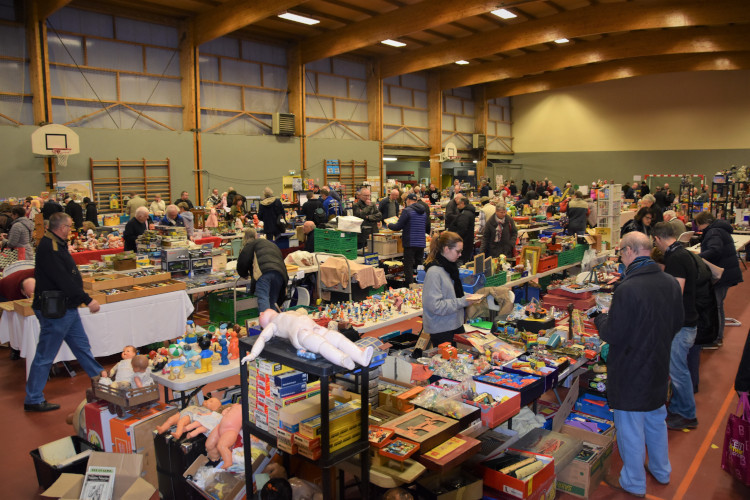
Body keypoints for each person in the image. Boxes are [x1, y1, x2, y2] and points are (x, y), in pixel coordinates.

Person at [594, 231, 683, 497]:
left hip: (631, 370)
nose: (621, 257)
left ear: (630, 251)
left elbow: (613, 334)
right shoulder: (669, 282)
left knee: (630, 427)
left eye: (621, 252)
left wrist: (600, 318)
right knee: (656, 419)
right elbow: (677, 322)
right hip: (658, 364)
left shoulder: (627, 288)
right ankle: (661, 469)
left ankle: (633, 482)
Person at [26, 213, 107, 412]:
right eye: (69, 227)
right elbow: (63, 280)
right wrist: (87, 300)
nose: (71, 230)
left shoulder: (55, 243)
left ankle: (101, 381)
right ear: (61, 228)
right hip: (57, 311)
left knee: (82, 347)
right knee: (45, 355)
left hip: (66, 308)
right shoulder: (50, 248)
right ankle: (33, 398)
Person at [653, 222, 699, 430]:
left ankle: (688, 414)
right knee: (679, 369)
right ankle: (680, 407)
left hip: (682, 325)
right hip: (688, 320)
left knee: (678, 371)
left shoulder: (676, 259)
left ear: (657, 239)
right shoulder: (683, 253)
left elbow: (675, 293)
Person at [422, 231, 481, 347]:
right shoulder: (434, 272)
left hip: (454, 323)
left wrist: (467, 297)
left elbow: (451, 292)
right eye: (458, 252)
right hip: (442, 329)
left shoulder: (449, 267)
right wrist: (463, 301)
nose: (460, 255)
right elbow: (435, 306)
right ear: (446, 249)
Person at [695, 211, 743, 348]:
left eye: (698, 225)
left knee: (716, 306)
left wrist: (698, 258)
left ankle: (715, 337)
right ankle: (718, 336)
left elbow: (715, 250)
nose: (698, 229)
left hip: (722, 275)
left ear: (704, 223)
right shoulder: (719, 229)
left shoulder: (713, 232)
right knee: (718, 305)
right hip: (727, 273)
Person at [236, 228, 288, 313]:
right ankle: (272, 324)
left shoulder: (250, 244)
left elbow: (242, 262)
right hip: (280, 273)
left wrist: (244, 274)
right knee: (273, 301)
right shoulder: (269, 243)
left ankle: (265, 324)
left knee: (263, 298)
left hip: (264, 273)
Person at [387, 193, 429, 286]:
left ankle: (410, 286)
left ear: (408, 200)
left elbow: (398, 226)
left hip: (410, 242)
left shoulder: (407, 211)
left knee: (408, 266)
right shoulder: (423, 212)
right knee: (419, 265)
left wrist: (389, 225)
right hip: (421, 242)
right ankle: (421, 282)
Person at [448, 197, 475, 265]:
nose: (457, 206)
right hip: (467, 243)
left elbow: (462, 230)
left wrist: (453, 238)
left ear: (462, 203)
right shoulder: (469, 212)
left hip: (463, 244)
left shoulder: (464, 214)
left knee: (460, 263)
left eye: (458, 204)